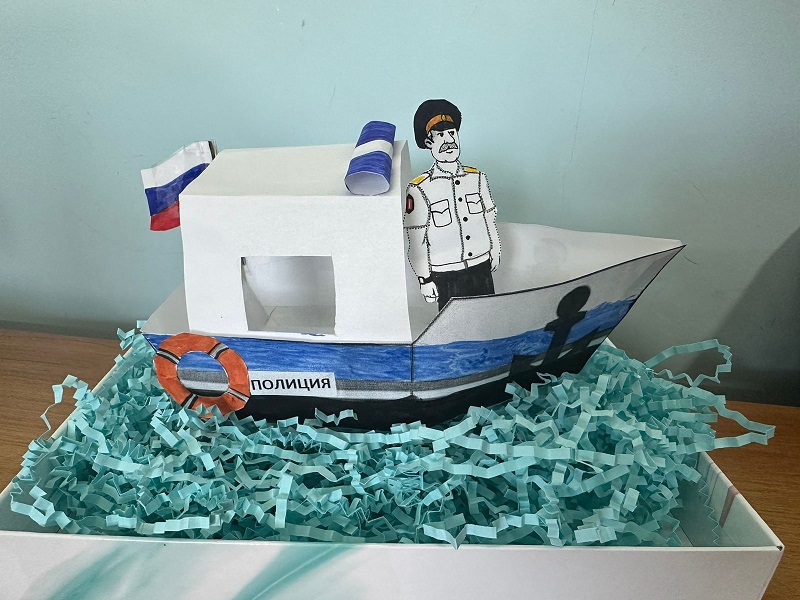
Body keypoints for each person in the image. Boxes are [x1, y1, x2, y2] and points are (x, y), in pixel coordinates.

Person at [404, 99, 501, 310]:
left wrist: (495, 249)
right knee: (454, 326)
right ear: (428, 143)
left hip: (480, 266)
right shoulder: (419, 188)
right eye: (440, 135)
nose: (449, 140)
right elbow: (417, 239)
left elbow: (489, 218)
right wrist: (424, 279)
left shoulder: (477, 178)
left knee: (487, 318)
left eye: (452, 133)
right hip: (446, 275)